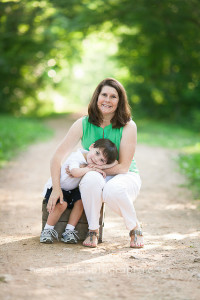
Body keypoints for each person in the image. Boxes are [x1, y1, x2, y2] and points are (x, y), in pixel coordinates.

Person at [47, 77, 144, 248]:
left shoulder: (129, 126)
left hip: (124, 175)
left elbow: (123, 167)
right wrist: (56, 188)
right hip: (94, 173)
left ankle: (134, 227)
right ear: (97, 97)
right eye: (104, 95)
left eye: (113, 96)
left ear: (120, 101)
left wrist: (94, 168)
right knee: (90, 179)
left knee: (112, 190)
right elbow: (57, 157)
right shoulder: (83, 123)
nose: (107, 100)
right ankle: (93, 230)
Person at [40, 138, 118, 244]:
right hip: (57, 187)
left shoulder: (90, 161)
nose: (96, 159)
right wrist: (91, 169)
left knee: (80, 202)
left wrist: (103, 166)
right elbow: (75, 172)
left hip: (71, 190)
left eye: (102, 160)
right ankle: (47, 230)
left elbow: (115, 162)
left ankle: (69, 231)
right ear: (91, 147)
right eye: (97, 153)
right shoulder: (77, 156)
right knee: (62, 204)